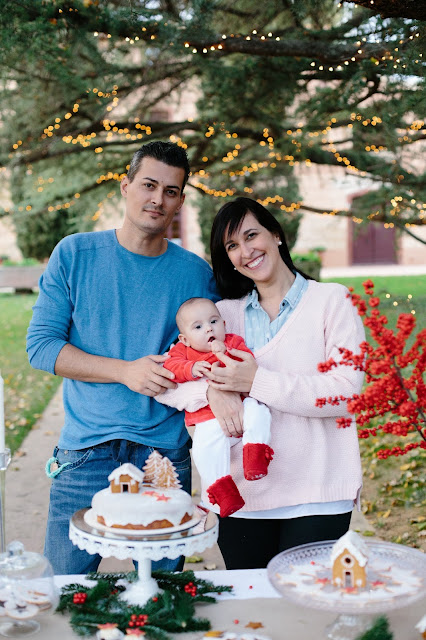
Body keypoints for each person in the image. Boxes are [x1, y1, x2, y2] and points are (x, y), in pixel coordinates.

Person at [26, 141, 218, 575]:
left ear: (181, 201)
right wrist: (124, 372)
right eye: (148, 185)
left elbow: (222, 347)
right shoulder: (74, 254)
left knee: (162, 599)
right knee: (60, 588)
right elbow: (41, 347)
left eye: (171, 191)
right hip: (86, 451)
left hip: (163, 457)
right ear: (125, 185)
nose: (158, 199)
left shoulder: (196, 274)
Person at [156, 196, 365, 570]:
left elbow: (348, 392)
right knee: (253, 614)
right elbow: (169, 380)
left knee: (306, 614)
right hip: (243, 498)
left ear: (277, 235)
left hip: (318, 491)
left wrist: (256, 381)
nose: (245, 251)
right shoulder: (222, 315)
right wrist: (210, 392)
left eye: (252, 235)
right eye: (232, 246)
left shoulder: (332, 300)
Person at [162, 297, 273, 518]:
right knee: (205, 448)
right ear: (184, 338)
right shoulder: (183, 353)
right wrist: (191, 368)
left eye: (214, 321)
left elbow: (248, 363)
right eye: (198, 327)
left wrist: (225, 354)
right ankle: (223, 490)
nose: (208, 329)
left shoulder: (234, 342)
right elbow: (170, 367)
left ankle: (255, 454)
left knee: (259, 409)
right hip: (208, 419)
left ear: (224, 324)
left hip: (241, 407)